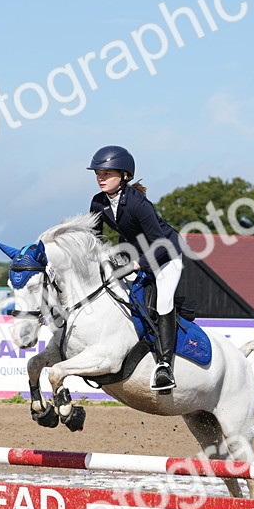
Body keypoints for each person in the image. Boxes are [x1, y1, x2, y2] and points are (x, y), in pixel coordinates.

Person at [87, 145, 183, 393]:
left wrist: (136, 264)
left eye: (107, 173)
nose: (101, 177)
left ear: (125, 175)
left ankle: (165, 367)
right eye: (98, 173)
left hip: (166, 255)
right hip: (133, 252)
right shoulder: (98, 203)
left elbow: (160, 244)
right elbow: (94, 240)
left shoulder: (139, 204)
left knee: (163, 302)